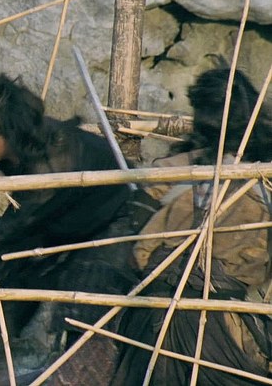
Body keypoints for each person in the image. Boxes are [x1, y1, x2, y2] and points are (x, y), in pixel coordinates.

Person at [0, 75, 153, 357]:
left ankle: (70, 367)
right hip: (60, 218)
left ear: (4, 132)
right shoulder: (2, 142)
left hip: (116, 218)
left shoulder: (51, 161)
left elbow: (9, 230)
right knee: (8, 271)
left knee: (83, 304)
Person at [111, 68, 272, 385]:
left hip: (159, 315)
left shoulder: (170, 170)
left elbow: (133, 247)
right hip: (221, 322)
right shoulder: (263, 179)